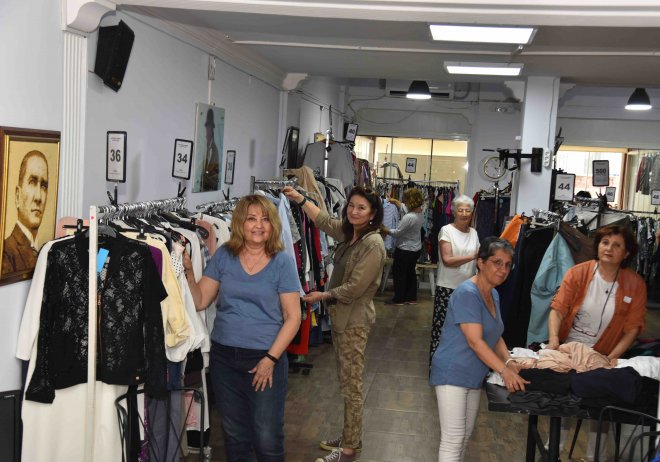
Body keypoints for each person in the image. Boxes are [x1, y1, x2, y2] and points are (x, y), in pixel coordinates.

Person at [183, 195, 302, 461]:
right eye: (251, 219)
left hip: (265, 358)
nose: (258, 225)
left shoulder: (282, 262)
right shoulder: (224, 256)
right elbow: (201, 300)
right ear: (240, 223)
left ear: (273, 225)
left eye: (265, 219)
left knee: (267, 437)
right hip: (225, 358)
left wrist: (270, 359)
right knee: (235, 436)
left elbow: (293, 317)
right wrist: (189, 272)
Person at [282, 185, 386, 462]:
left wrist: (323, 295)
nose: (354, 211)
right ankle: (350, 436)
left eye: (361, 208)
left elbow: (354, 288)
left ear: (373, 214)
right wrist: (300, 199)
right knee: (346, 382)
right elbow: (324, 221)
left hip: (354, 322)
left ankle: (349, 449)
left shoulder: (373, 245)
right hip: (343, 319)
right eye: (351, 205)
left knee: (352, 386)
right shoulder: (352, 234)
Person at [546, 224, 647, 460]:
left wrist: (611, 358)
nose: (609, 248)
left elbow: (632, 329)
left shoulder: (635, 284)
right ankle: (552, 453)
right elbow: (557, 310)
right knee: (564, 403)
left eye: (617, 245)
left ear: (627, 253)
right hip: (570, 348)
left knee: (601, 406)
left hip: (605, 354)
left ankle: (596, 458)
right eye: (605, 242)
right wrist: (554, 340)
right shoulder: (578, 273)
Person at [430, 237, 528, 462]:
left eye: (508, 265)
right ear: (481, 263)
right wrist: (504, 371)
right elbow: (475, 341)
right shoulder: (467, 293)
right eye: (497, 262)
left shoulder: (493, 293)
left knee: (464, 437)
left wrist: (509, 361)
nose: (503, 270)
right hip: (453, 372)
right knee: (453, 439)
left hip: (473, 374)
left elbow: (494, 334)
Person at [429, 194, 479, 366]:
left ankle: (456, 366)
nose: (464, 214)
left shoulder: (474, 232)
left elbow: (479, 260)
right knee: (442, 328)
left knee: (464, 330)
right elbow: (447, 260)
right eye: (460, 210)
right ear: (454, 212)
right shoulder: (446, 231)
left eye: (468, 210)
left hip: (468, 288)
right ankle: (436, 366)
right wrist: (473, 256)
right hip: (447, 288)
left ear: (472, 212)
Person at [2, 150, 48, 275]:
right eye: (32, 182)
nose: (38, 197)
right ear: (18, 196)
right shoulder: (6, 252)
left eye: (43, 186)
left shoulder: (46, 251)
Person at [386, 187, 425, 305]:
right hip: (415, 249)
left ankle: (399, 299)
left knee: (399, 274)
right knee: (410, 273)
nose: (404, 201)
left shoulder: (409, 217)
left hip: (405, 249)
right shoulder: (420, 212)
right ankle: (411, 297)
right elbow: (403, 207)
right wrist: (394, 201)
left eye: (406, 199)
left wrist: (385, 230)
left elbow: (397, 233)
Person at [201, 108, 220, 191]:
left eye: (210, 127)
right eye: (207, 127)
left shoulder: (214, 150)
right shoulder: (204, 146)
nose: (207, 130)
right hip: (203, 186)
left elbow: (215, 173)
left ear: (212, 129)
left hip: (209, 187)